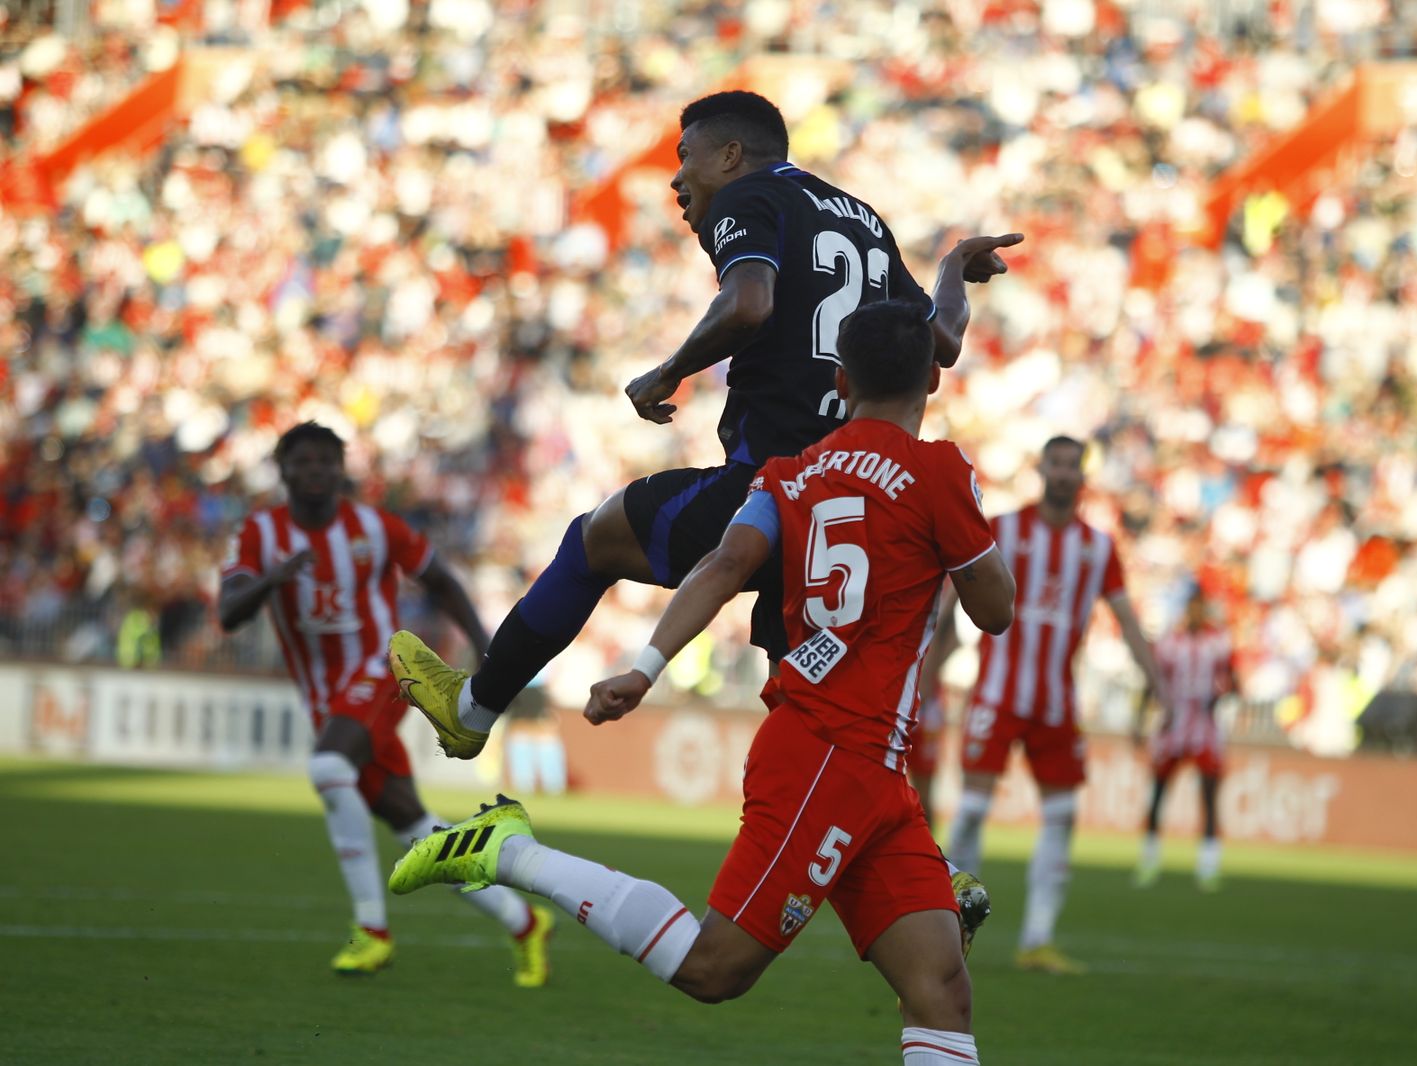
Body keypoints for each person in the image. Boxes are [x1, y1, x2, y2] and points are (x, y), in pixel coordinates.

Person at [389, 301, 1015, 1066]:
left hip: (866, 766)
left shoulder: (790, 473)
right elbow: (996, 610)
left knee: (941, 987)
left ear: (842, 380)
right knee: (714, 969)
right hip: (832, 754)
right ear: (931, 378)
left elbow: (722, 566)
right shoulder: (941, 470)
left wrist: (645, 666)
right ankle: (509, 851)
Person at [386, 89, 1021, 761]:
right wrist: (953, 269)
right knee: (817, 724)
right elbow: (942, 342)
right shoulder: (863, 218)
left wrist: (669, 370)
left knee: (596, 538)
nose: (675, 178)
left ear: (731, 154)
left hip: (775, 485)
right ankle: (912, 863)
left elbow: (749, 302)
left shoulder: (749, 198)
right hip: (854, 504)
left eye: (685, 157)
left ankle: (474, 708)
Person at [218, 422, 553, 984]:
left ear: (341, 469)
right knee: (415, 828)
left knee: (328, 766)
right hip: (327, 699)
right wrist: (272, 578)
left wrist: (488, 651)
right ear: (283, 469)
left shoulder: (375, 527)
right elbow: (229, 611)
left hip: (383, 668)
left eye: (329, 460)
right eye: (305, 461)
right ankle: (524, 922)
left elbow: (442, 580)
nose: (318, 470)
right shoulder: (260, 534)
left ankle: (372, 931)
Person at [931, 435, 1169, 975]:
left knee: (1061, 818)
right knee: (970, 811)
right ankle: (948, 925)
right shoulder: (1005, 530)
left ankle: (1038, 940)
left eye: (1072, 466)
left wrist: (1159, 685)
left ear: (1082, 476)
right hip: (997, 693)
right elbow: (949, 600)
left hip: (1057, 702)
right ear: (1041, 469)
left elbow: (1128, 621)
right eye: (1055, 464)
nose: (1063, 474)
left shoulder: (1098, 548)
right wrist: (926, 670)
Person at [1131, 587, 1238, 890]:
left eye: (1199, 607)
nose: (1195, 613)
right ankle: (1149, 860)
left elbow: (1233, 679)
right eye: (1191, 607)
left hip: (1204, 727)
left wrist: (1220, 697)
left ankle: (1208, 865)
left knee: (1208, 795)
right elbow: (1152, 681)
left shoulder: (1218, 641)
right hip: (1173, 726)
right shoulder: (1169, 643)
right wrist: (1140, 720)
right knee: (1158, 793)